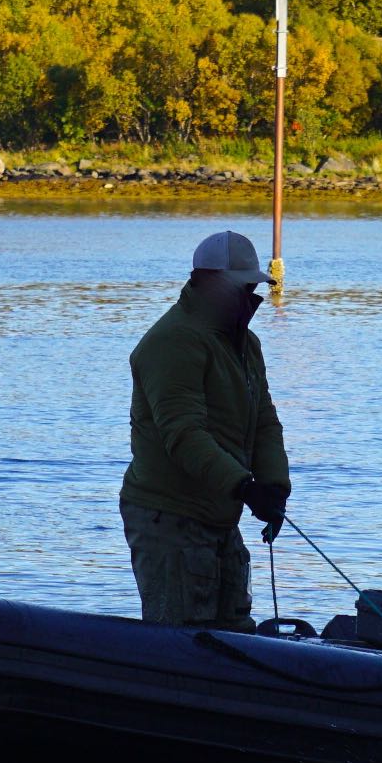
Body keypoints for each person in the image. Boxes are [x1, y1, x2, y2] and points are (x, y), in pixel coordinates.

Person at [120, 230, 293, 627]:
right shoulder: (172, 342)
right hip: (169, 518)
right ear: (208, 281)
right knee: (180, 641)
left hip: (219, 517)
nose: (252, 296)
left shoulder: (246, 345)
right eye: (243, 286)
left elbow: (264, 420)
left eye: (254, 286)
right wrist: (244, 486)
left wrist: (274, 487)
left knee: (236, 633)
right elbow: (183, 434)